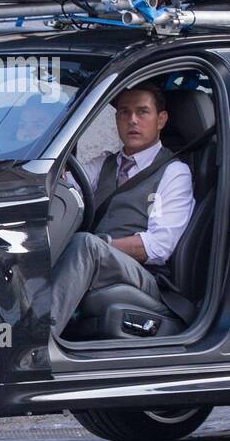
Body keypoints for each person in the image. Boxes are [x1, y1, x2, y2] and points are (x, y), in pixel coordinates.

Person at [50, 84, 195, 337]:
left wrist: (103, 245)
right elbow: (65, 188)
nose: (132, 120)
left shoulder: (174, 172)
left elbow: (158, 246)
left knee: (85, 244)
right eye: (124, 112)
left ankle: (36, 341)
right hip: (99, 260)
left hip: (146, 276)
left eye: (142, 112)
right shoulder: (104, 164)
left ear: (161, 120)